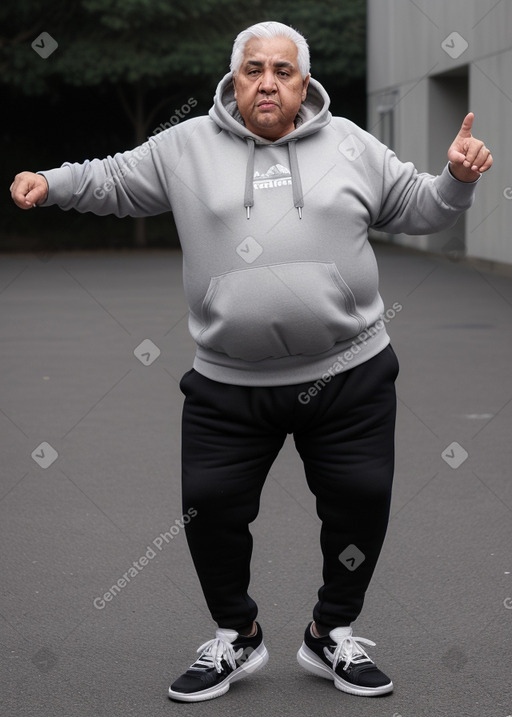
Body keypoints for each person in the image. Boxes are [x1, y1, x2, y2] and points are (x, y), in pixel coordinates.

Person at [11, 20, 492, 704]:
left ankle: (331, 633)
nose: (267, 81)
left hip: (349, 375)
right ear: (234, 80)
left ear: (305, 82)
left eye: (283, 70)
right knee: (208, 507)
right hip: (228, 384)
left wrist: (457, 178)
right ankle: (237, 634)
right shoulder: (184, 147)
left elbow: (419, 207)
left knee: (360, 504)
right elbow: (112, 180)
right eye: (253, 69)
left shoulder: (351, 144)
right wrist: (50, 182)